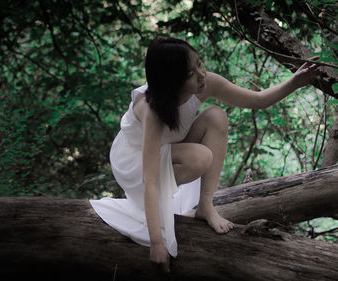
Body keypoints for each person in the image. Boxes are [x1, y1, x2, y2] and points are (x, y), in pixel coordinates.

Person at [89, 36, 320, 273]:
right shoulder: (152, 109)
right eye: (191, 73)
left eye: (200, 63)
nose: (202, 74)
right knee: (200, 157)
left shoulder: (206, 82)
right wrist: (156, 242)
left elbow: (257, 100)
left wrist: (294, 82)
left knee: (216, 116)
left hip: (169, 151)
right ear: (171, 82)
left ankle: (205, 206)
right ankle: (163, 204)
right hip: (133, 162)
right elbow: (149, 180)